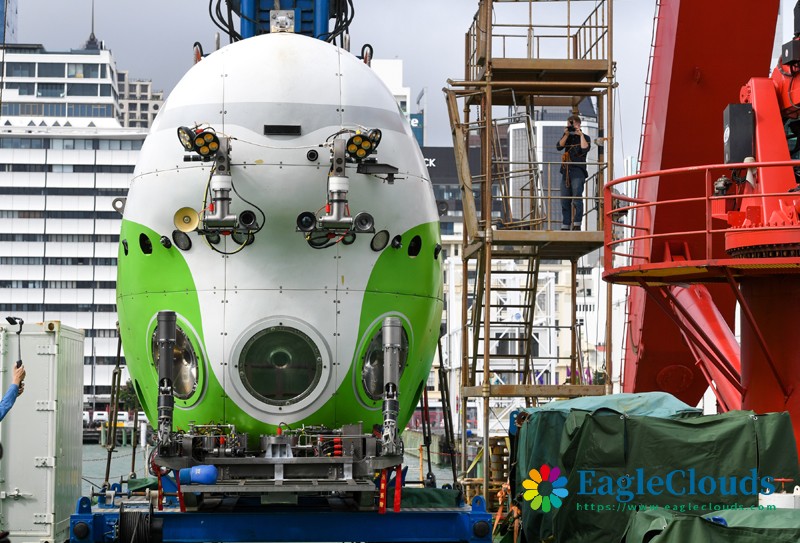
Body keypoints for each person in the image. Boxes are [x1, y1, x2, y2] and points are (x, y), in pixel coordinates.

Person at [556, 115, 591, 230]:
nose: (570, 126)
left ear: (578, 124)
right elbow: (559, 147)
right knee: (564, 199)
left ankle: (577, 223)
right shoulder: (567, 137)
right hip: (566, 171)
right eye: (568, 124)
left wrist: (580, 134)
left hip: (578, 171)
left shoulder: (585, 137)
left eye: (572, 124)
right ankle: (565, 224)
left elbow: (585, 149)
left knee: (577, 197)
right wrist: (566, 134)